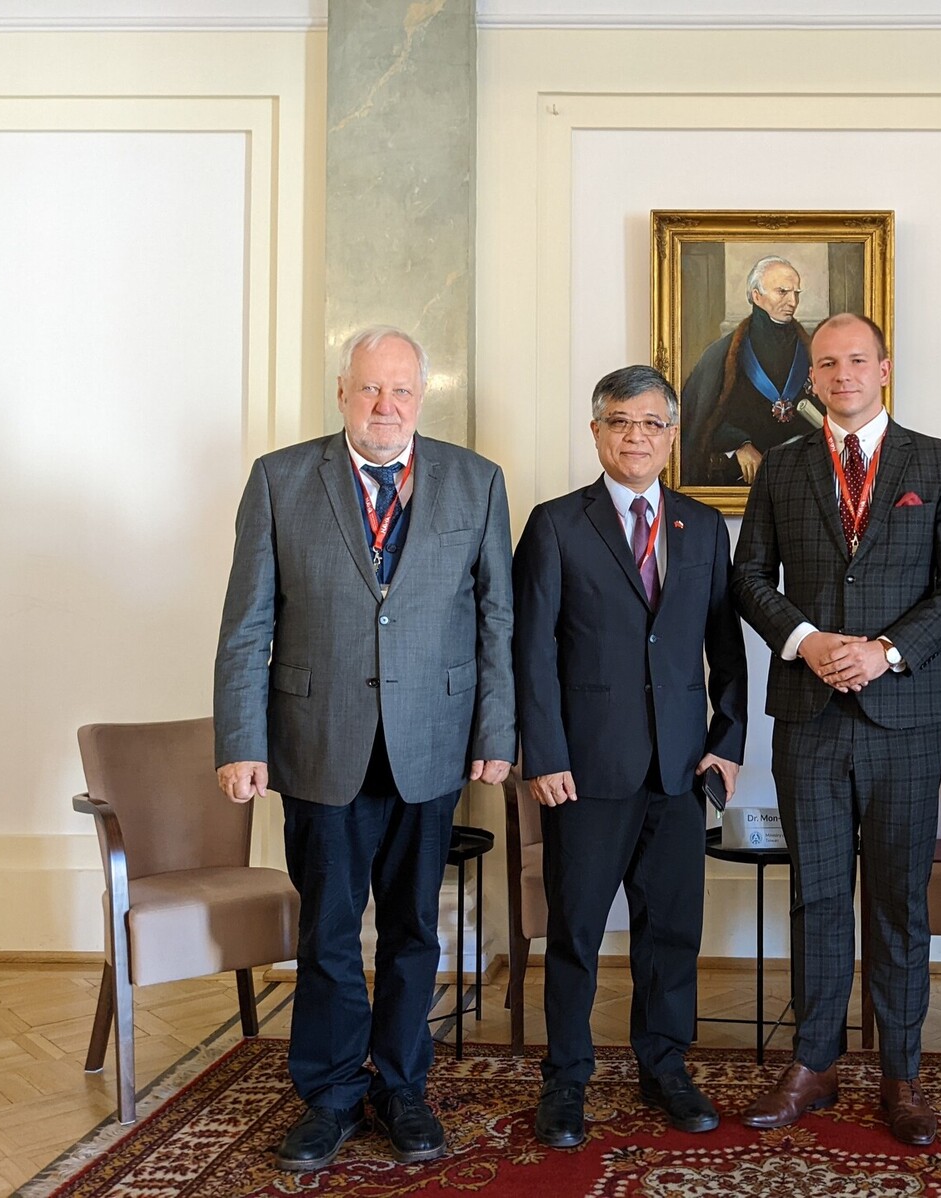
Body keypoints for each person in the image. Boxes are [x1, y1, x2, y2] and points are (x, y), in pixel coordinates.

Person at [213, 325, 516, 1171]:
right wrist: (242, 740)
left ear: (423, 397)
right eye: (370, 390)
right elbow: (247, 626)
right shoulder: (279, 479)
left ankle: (402, 1088)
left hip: (433, 745)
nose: (386, 406)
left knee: (417, 931)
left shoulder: (475, 481)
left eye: (402, 392)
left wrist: (497, 730)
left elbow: (497, 617)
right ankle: (333, 1093)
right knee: (329, 934)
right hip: (317, 744)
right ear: (343, 392)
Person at [732, 313, 941, 1146]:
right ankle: (813, 1063)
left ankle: (901, 1074)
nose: (841, 373)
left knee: (897, 899)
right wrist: (808, 643)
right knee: (814, 896)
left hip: (904, 716)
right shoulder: (781, 466)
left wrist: (884, 650)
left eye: (856, 360)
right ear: (811, 377)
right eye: (826, 363)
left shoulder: (937, 463)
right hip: (808, 715)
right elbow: (747, 578)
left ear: (883, 367)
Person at [513, 365, 748, 1149]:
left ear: (673, 436)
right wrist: (541, 754)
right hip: (583, 770)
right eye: (621, 422)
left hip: (680, 772)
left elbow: (726, 648)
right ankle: (566, 1080)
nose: (637, 436)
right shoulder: (554, 525)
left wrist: (727, 744)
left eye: (652, 423)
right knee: (576, 931)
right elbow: (531, 652)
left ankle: (664, 1067)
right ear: (595, 432)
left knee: (670, 930)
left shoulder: (702, 528)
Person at [680, 255, 825, 485]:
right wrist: (739, 444)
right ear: (757, 296)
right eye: (783, 292)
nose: (793, 302)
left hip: (804, 477)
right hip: (742, 478)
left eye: (796, 293)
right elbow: (699, 424)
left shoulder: (813, 352)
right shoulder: (720, 355)